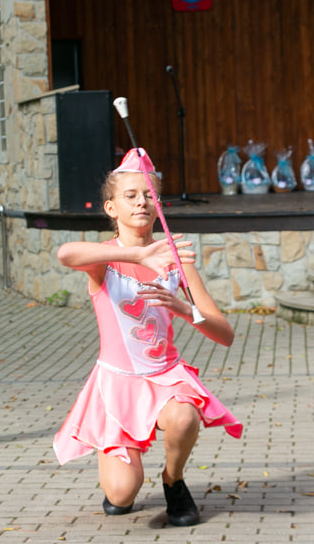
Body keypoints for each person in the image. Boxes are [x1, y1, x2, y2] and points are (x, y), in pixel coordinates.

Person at [52, 148, 243, 526]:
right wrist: (138, 257)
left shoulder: (178, 258)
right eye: (130, 195)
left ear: (159, 205)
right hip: (117, 384)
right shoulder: (102, 258)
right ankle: (121, 463)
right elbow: (65, 253)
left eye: (149, 195)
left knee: (186, 416)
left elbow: (225, 335)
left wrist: (186, 310)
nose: (141, 201)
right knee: (121, 495)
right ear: (111, 208)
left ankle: (173, 480)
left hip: (165, 377)